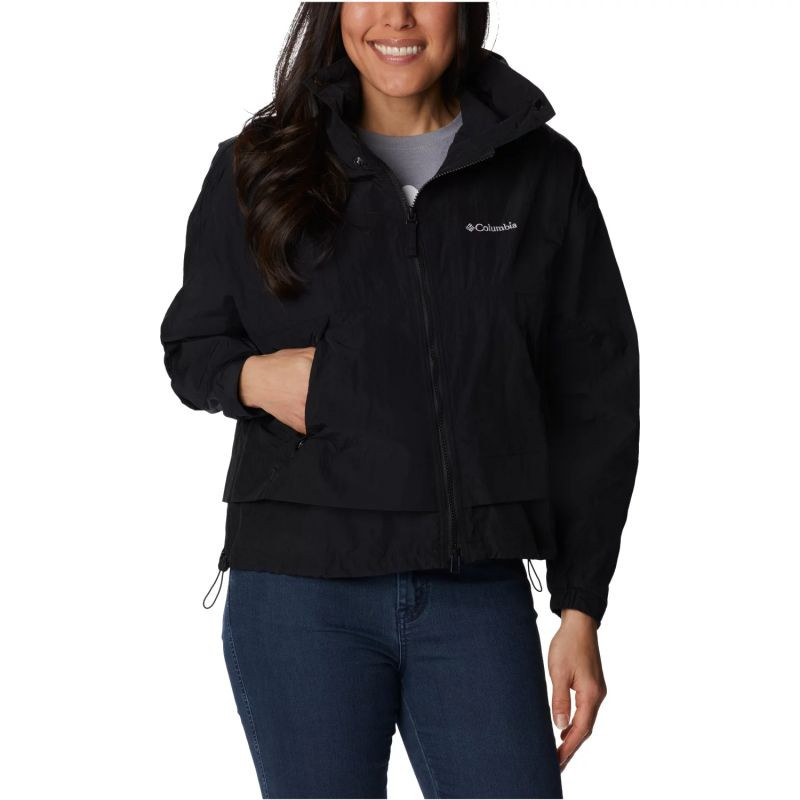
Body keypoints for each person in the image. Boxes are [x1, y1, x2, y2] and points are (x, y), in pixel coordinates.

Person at [159, 3, 639, 798]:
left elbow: (594, 394)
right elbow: (192, 345)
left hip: (474, 589)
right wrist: (252, 379)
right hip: (299, 593)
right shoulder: (256, 166)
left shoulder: (539, 170)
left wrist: (580, 607)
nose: (396, 17)